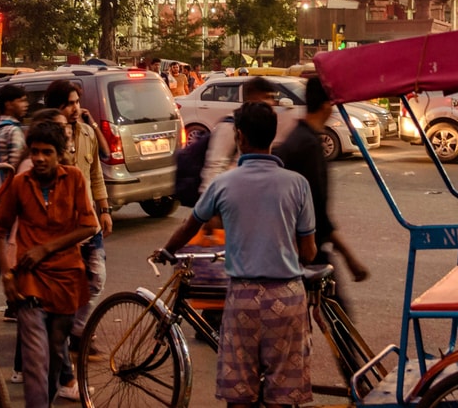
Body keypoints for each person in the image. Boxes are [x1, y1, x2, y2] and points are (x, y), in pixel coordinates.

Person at [154, 102, 316, 408]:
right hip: (288, 298)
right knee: (282, 398)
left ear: (239, 136)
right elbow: (308, 251)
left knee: (240, 395)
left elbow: (190, 227)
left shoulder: (223, 184)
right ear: (272, 136)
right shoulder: (298, 184)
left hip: (244, 298)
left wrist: (166, 251)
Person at [0, 121, 98, 407]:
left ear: (59, 154)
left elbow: (89, 226)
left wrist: (45, 248)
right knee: (36, 359)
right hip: (29, 282)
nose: (39, 158)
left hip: (66, 280)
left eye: (47, 152)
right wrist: (6, 275)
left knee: (55, 354)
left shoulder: (74, 178)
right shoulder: (19, 183)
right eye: (35, 152)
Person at [44, 80, 112, 401]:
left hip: (90, 222)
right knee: (64, 292)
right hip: (64, 227)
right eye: (69, 103)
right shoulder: (48, 145)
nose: (75, 108)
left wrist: (105, 208)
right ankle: (56, 366)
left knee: (96, 278)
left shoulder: (85, 133)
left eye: (76, 102)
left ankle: (76, 330)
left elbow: (97, 170)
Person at [274, 76, 368, 291]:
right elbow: (315, 209)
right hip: (307, 246)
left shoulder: (301, 138)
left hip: (298, 243)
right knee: (336, 316)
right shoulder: (308, 145)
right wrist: (349, 257)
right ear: (327, 106)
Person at [0, 84, 29, 176]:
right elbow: (14, 167)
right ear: (8, 105)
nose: (26, 105)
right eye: (21, 101)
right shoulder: (13, 131)